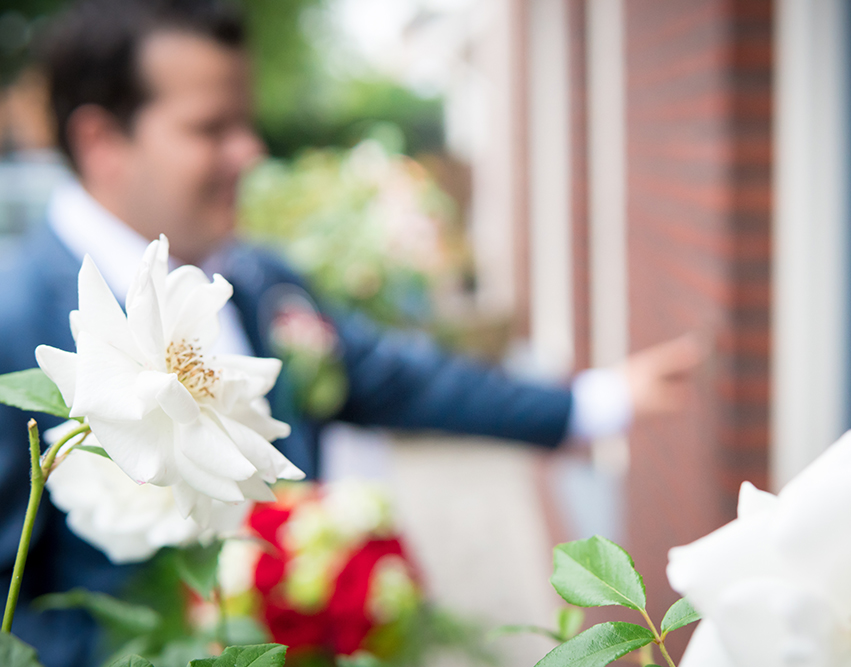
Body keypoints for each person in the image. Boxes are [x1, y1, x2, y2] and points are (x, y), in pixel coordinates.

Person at [0, 1, 703, 666]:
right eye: (211, 128)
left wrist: (589, 403)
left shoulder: (258, 278)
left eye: (245, 123)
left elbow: (399, 377)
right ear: (101, 141)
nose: (249, 151)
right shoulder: (15, 323)